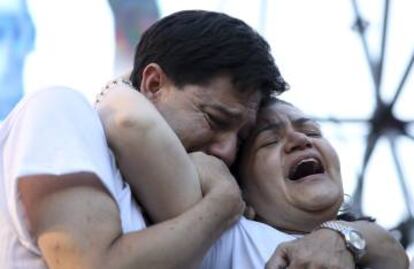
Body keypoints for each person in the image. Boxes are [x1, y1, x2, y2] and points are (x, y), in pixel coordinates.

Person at [0, 10, 286, 269]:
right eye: (215, 119)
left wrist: (332, 229)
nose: (227, 151)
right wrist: (222, 205)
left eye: (242, 138)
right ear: (153, 84)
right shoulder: (60, 111)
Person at [103, 81, 408, 268]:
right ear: (242, 190)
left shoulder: (363, 247)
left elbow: (393, 253)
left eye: (311, 130)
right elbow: (124, 112)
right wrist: (220, 192)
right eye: (270, 141)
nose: (300, 140)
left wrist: (339, 235)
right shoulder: (223, 236)